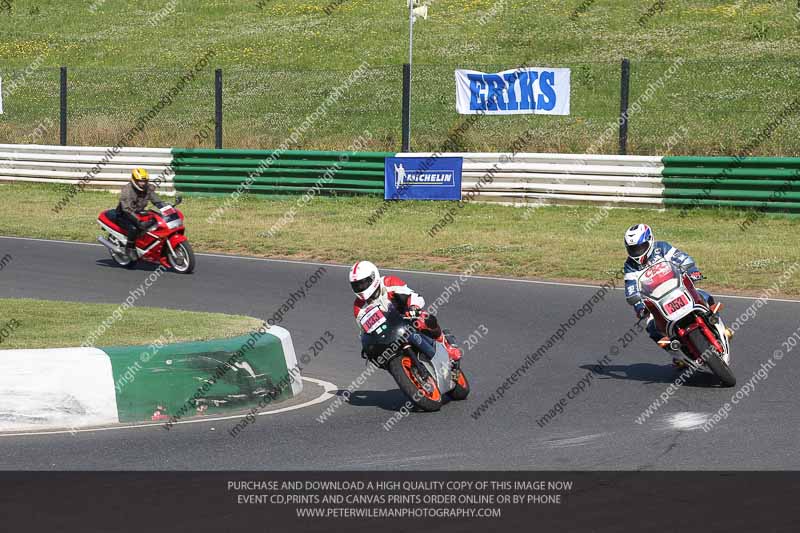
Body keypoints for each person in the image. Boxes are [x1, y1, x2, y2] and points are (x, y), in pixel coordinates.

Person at [622, 224, 723, 364]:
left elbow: (681, 258)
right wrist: (639, 307)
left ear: (650, 240)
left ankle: (716, 322)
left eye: (640, 247)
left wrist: (692, 270)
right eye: (632, 249)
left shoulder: (661, 248)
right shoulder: (629, 266)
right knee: (651, 327)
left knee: (704, 295)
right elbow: (631, 289)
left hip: (678, 288)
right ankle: (678, 355)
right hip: (657, 301)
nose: (637, 252)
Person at [349, 260, 462, 363]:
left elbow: (413, 296)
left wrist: (413, 307)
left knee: (425, 319)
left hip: (406, 319)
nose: (361, 287)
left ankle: (445, 345)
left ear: (374, 277)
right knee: (375, 357)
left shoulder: (389, 282)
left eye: (363, 283)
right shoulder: (359, 307)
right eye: (357, 285)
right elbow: (363, 330)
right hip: (386, 334)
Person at [116, 168, 165, 260]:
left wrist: (165, 207)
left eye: (144, 181)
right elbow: (127, 209)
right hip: (124, 214)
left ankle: (147, 246)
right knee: (134, 228)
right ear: (134, 180)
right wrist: (138, 221)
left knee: (155, 221)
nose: (143, 183)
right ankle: (129, 248)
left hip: (137, 212)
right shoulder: (127, 190)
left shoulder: (148, 188)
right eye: (140, 181)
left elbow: (156, 200)